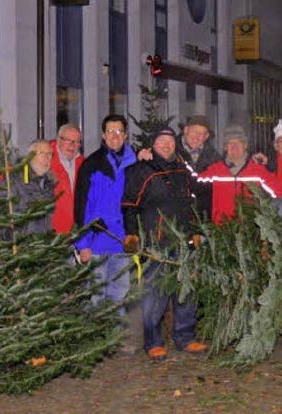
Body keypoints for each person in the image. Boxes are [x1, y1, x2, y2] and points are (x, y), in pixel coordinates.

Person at [121, 126, 207, 360]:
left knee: (185, 289)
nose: (166, 145)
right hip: (154, 241)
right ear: (152, 145)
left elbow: (194, 202)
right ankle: (153, 342)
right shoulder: (142, 169)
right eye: (161, 141)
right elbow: (129, 205)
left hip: (183, 239)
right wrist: (132, 234)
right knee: (154, 293)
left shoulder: (182, 169)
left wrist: (196, 230)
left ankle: (185, 336)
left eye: (170, 141)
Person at [74, 114, 136, 313]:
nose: (115, 136)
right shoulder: (91, 165)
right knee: (94, 296)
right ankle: (95, 342)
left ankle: (115, 340)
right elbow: (81, 205)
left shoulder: (133, 165)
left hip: (122, 243)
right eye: (110, 131)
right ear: (103, 135)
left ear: (125, 135)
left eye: (119, 131)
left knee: (119, 295)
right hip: (96, 243)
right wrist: (83, 244)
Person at [198, 124, 282, 225]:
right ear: (225, 147)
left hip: (250, 230)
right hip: (222, 232)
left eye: (238, 142)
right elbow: (193, 183)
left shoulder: (257, 170)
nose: (234, 146)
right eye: (230, 143)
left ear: (245, 145)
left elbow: (279, 193)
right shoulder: (215, 170)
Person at [0, 140, 55, 240]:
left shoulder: (48, 183)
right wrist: (16, 240)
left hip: (44, 248)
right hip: (22, 249)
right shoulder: (13, 180)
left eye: (49, 154)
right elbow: (2, 218)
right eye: (41, 153)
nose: (47, 158)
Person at [175, 115, 222, 219]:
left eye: (202, 133)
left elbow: (231, 167)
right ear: (186, 130)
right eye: (194, 131)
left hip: (203, 218)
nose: (197, 136)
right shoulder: (170, 150)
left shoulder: (214, 158)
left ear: (206, 137)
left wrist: (253, 159)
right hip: (175, 217)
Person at [50, 123, 84, 234]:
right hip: (51, 233)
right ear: (58, 139)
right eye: (68, 140)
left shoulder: (84, 164)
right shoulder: (46, 160)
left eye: (77, 141)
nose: (72, 145)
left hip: (77, 231)